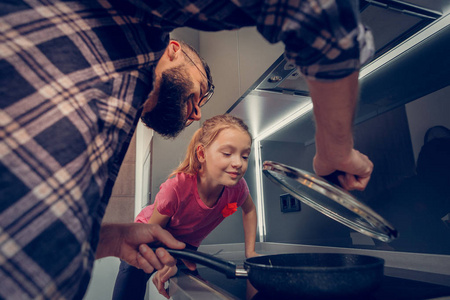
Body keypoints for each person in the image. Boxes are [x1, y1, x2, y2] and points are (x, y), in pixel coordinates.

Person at [0, 0, 374, 299]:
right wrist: (334, 150)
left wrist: (112, 237)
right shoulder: (137, 21)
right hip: (156, 235)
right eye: (203, 91)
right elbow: (319, 10)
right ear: (175, 50)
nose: (197, 114)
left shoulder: (118, 116)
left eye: (245, 155)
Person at [112, 114, 257, 299]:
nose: (238, 163)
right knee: (127, 294)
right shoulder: (177, 188)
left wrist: (250, 252)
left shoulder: (238, 188)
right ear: (202, 154)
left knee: (194, 289)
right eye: (227, 153)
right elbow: (152, 233)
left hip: (184, 247)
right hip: (145, 241)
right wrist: (166, 261)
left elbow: (250, 210)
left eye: (245, 156)